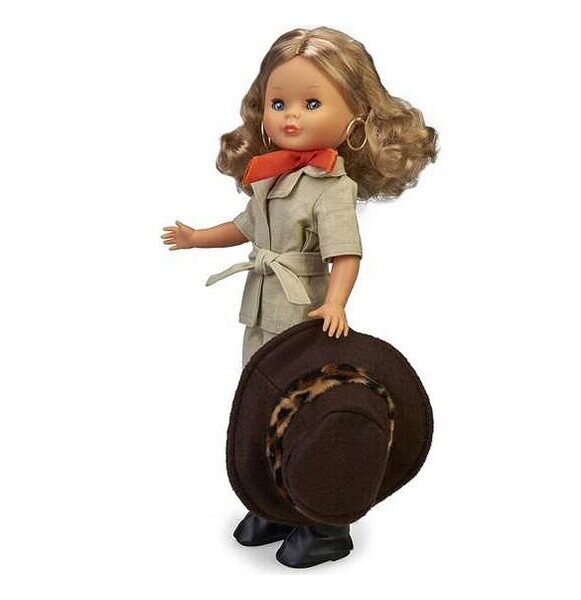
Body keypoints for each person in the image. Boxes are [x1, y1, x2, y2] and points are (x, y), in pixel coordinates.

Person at [161, 26, 438, 568]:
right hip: (262, 309)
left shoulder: (332, 186)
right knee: (262, 401)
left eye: (312, 104)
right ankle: (275, 501)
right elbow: (245, 227)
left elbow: (345, 253)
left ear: (356, 116)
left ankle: (325, 519)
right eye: (278, 103)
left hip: (303, 311)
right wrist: (196, 238)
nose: (291, 116)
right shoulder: (268, 177)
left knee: (308, 406)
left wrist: (335, 303)